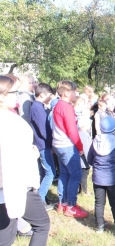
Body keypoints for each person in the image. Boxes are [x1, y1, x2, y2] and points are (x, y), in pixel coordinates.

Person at [0, 75, 50, 246]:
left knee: (6, 237)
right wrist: (32, 154)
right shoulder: (10, 122)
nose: (18, 95)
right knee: (42, 224)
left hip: (6, 185)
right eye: (14, 92)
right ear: (2, 96)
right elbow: (14, 156)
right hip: (15, 184)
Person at [87, 116, 115, 237]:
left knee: (99, 203)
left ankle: (99, 226)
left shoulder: (95, 142)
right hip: (112, 179)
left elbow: (90, 159)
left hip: (98, 179)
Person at [52, 80, 88, 218]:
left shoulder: (58, 105)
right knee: (75, 174)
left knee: (64, 174)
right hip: (67, 145)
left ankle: (63, 203)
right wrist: (80, 146)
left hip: (58, 144)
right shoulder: (66, 107)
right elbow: (72, 130)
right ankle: (71, 206)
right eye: (74, 91)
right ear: (67, 93)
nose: (76, 93)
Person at [30, 83, 55, 211]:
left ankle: (42, 197)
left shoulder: (40, 107)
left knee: (48, 172)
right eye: (49, 95)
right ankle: (40, 201)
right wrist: (52, 143)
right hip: (43, 145)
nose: (51, 97)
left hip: (44, 144)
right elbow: (43, 130)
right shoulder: (37, 108)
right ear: (42, 94)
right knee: (50, 173)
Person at [74, 97, 92, 195]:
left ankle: (81, 189)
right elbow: (85, 149)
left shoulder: (82, 133)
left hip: (82, 159)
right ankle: (84, 191)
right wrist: (90, 160)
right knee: (84, 174)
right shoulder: (83, 134)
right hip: (84, 160)